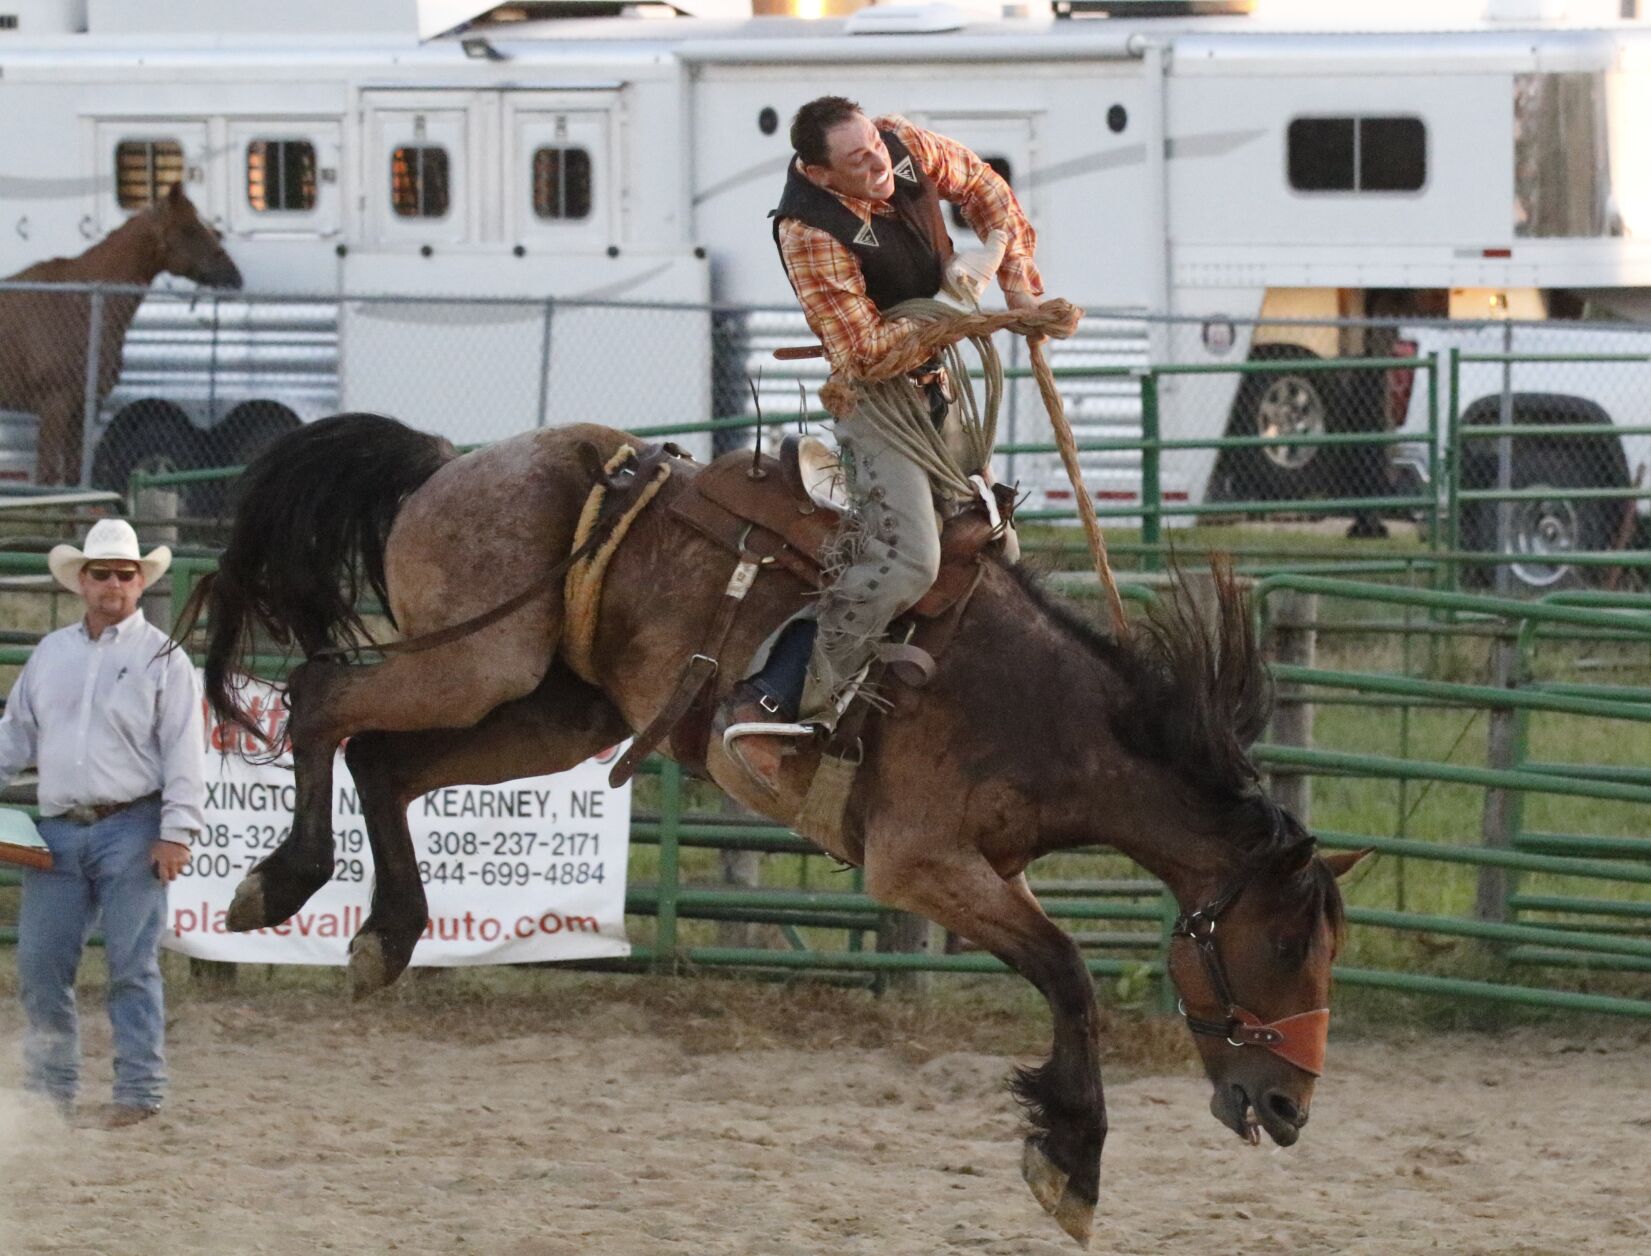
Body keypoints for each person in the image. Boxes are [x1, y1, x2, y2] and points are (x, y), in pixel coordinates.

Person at [715, 96, 1045, 791]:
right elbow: (862, 352)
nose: (878, 164)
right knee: (907, 562)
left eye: (874, 146)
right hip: (877, 405)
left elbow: (983, 186)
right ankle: (777, 699)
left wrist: (1010, 272)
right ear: (820, 173)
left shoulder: (901, 145)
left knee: (992, 546)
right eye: (857, 160)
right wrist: (954, 309)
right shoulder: (807, 229)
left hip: (936, 390)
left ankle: (959, 707)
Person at [0, 518, 205, 1127]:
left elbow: (184, 751)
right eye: (102, 573)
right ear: (81, 582)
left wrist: (176, 831)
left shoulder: (165, 658)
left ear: (140, 583)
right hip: (58, 826)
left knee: (131, 964)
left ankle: (139, 1093)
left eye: (124, 573)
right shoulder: (51, 653)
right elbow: (14, 735)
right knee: (40, 965)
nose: (113, 583)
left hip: (133, 824)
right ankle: (48, 1092)